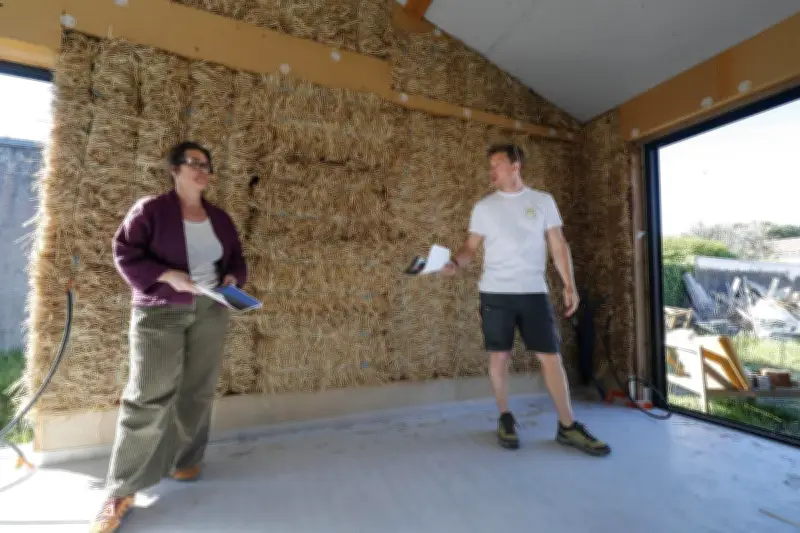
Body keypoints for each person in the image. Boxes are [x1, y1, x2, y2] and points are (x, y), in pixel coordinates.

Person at [89, 141, 248, 533]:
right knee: (148, 394)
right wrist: (165, 275)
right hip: (161, 310)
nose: (203, 170)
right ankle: (120, 491)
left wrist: (233, 278)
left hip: (211, 309)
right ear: (174, 169)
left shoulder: (220, 218)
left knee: (198, 389)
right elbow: (125, 252)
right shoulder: (150, 210)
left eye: (207, 165)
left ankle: (186, 459)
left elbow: (236, 259)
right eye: (194, 163)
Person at [442, 143, 610, 457]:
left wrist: (569, 285)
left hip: (534, 291)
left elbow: (558, 244)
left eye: (497, 164)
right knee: (499, 356)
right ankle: (505, 416)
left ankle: (567, 425)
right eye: (490, 166)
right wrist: (454, 263)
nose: (491, 171)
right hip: (495, 292)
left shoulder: (543, 201)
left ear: (515, 166)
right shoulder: (484, 207)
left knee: (551, 357)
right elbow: (470, 247)